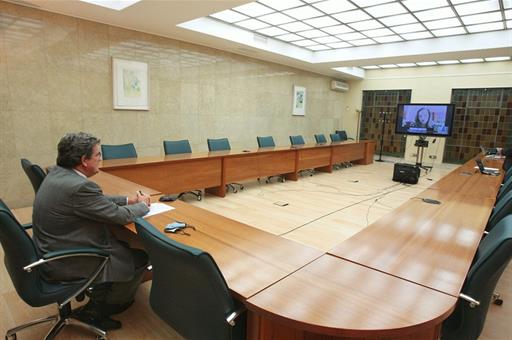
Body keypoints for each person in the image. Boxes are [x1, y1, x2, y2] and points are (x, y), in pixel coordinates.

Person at [32, 132, 151, 330]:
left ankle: (101, 293)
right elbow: (121, 216)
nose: (100, 159)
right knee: (139, 258)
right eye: (98, 155)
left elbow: (96, 202)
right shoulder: (80, 187)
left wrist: (129, 200)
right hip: (66, 259)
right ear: (83, 160)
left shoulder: (58, 174)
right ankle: (101, 309)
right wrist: (144, 205)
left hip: (50, 247)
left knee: (121, 243)